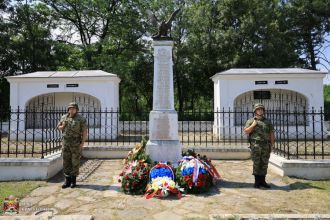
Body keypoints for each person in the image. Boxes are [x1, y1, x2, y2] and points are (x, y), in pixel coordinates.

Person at [244, 103, 275, 189]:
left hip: (265, 145)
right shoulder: (250, 121)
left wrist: (272, 145)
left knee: (264, 163)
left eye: (261, 109)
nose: (260, 110)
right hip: (255, 145)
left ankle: (263, 181)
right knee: (256, 163)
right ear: (255, 111)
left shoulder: (267, 122)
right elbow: (246, 131)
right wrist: (253, 125)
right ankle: (257, 181)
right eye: (258, 109)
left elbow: (271, 133)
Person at [57, 102, 87, 188]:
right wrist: (61, 127)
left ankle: (73, 181)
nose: (71, 110)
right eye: (70, 108)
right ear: (68, 109)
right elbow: (58, 126)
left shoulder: (81, 119)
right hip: (66, 143)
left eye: (73, 108)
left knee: (75, 162)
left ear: (77, 110)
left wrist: (82, 143)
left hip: (76, 143)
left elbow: (84, 132)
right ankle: (67, 181)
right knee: (66, 161)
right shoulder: (64, 117)